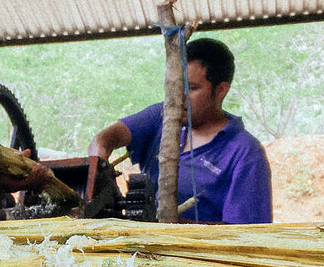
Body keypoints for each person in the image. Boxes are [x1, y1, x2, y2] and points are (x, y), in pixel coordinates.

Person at [88, 38, 272, 223]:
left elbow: (244, 235)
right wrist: (100, 175)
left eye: (191, 88)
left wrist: (168, 223)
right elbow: (102, 140)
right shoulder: (161, 116)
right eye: (174, 86)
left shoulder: (245, 153)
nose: (179, 96)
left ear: (221, 90)